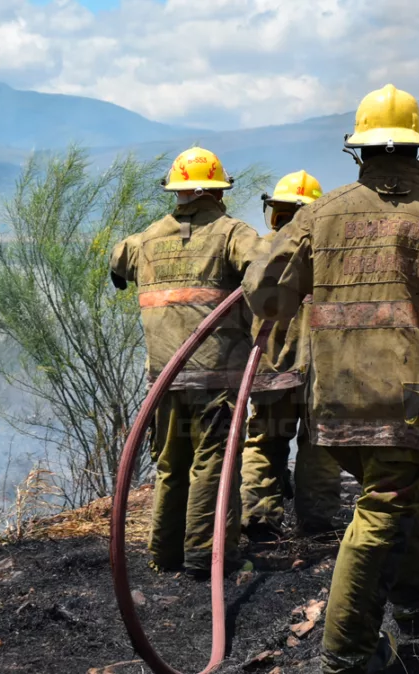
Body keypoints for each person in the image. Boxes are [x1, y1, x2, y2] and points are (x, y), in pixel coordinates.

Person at [241, 84, 419, 673]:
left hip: (339, 391)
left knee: (404, 500)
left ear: (358, 152)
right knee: (386, 506)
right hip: (417, 392)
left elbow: (265, 293)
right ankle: (346, 656)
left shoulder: (321, 212)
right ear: (417, 149)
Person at [110, 146, 262, 580]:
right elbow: (266, 272)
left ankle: (164, 555)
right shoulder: (234, 234)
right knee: (214, 463)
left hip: (165, 377)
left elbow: (117, 260)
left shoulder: (145, 240)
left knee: (171, 464)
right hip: (216, 376)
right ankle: (206, 558)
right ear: (217, 192)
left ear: (176, 192)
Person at [241, 170, 343, 542]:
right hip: (320, 370)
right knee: (318, 444)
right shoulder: (328, 255)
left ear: (275, 212)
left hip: (268, 369)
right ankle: (315, 523)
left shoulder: (259, 252)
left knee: (266, 440)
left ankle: (259, 520)